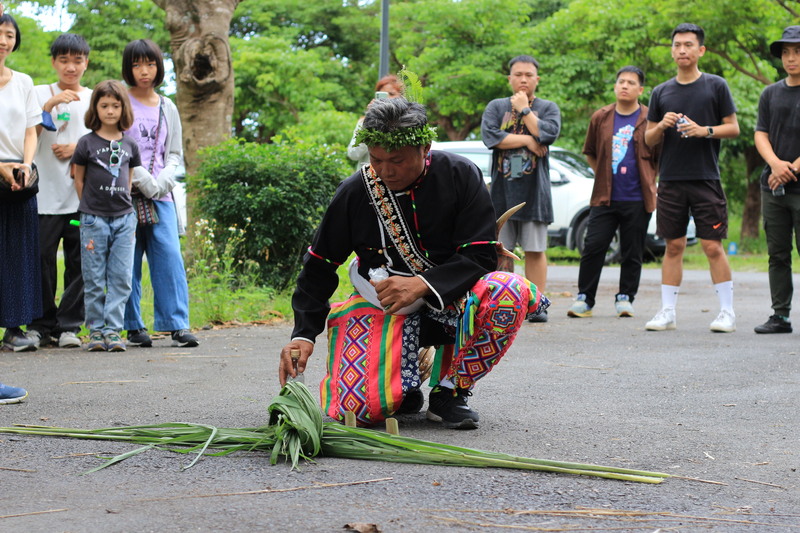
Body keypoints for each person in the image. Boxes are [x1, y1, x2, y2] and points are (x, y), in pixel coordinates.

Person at [279, 97, 548, 430]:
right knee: (356, 411)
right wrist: (303, 335)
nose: (386, 171)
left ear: (425, 147)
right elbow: (319, 266)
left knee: (509, 290)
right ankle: (400, 386)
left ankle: (451, 391)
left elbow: (479, 255)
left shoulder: (460, 175)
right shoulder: (354, 192)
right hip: (384, 308)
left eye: (397, 160)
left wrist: (422, 284)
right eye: (376, 159)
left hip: (454, 306)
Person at [644, 23, 740, 333]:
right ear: (671, 50)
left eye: (688, 44)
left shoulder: (716, 86)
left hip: (705, 178)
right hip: (670, 180)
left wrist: (704, 131)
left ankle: (727, 312)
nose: (682, 50)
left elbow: (733, 128)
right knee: (673, 246)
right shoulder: (661, 91)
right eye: (677, 45)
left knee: (712, 246)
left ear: (701, 50)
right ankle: (667, 311)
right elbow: (648, 140)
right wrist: (661, 126)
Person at [121, 39, 199, 348]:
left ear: (159, 66)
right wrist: (141, 177)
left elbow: (175, 153)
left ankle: (177, 325)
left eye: (150, 64)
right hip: (124, 195)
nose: (144, 71)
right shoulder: (121, 100)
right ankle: (132, 325)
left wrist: (162, 181)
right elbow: (115, 144)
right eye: (137, 64)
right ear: (128, 68)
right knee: (127, 262)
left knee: (169, 259)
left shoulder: (168, 106)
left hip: (162, 196)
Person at [568, 66, 659, 318]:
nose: (625, 86)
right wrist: (605, 176)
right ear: (615, 86)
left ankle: (625, 298)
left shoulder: (650, 118)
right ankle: (585, 298)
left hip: (638, 198)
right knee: (593, 246)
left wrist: (649, 178)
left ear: (640, 89)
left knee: (633, 251)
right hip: (604, 197)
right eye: (621, 81)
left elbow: (659, 157)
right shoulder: (601, 116)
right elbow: (590, 152)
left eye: (631, 82)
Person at [481, 55, 561, 323]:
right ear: (509, 78)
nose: (523, 79)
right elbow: (491, 137)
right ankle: (502, 303)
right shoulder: (496, 106)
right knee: (501, 250)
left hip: (535, 194)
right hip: (501, 194)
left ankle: (536, 304)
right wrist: (528, 139)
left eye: (529, 75)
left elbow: (548, 134)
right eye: (518, 74)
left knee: (535, 249)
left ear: (537, 78)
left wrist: (525, 111)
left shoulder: (548, 107)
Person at [25, 33, 92, 349]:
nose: (71, 67)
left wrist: (79, 148)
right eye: (64, 60)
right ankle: (40, 323)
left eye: (77, 60)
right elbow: (26, 134)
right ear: (53, 62)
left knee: (78, 263)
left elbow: (110, 138)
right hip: (43, 197)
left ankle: (69, 326)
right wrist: (49, 105)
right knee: (41, 259)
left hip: (80, 199)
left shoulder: (95, 98)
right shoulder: (38, 93)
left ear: (86, 63)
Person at [71, 80, 141, 352]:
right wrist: (90, 208)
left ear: (123, 108)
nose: (110, 111)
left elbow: (129, 180)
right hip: (93, 220)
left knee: (121, 277)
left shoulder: (130, 145)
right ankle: (96, 331)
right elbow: (79, 180)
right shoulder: (86, 143)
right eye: (104, 106)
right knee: (94, 278)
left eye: (115, 105)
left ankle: (113, 330)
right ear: (95, 109)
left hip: (125, 218)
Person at [752, 26, 800, 334]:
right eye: (786, 52)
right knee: (777, 254)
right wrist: (774, 164)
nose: (791, 58)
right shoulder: (770, 93)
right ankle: (780, 315)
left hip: (792, 181)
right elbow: (761, 133)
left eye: (797, 51)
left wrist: (792, 168)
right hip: (774, 187)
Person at [0, 12, 42, 352]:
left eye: (10, 35)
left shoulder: (24, 82)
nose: (4, 40)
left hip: (20, 175)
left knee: (18, 252)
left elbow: (32, 129)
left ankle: (14, 329)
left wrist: (25, 166)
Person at [347, 75, 404, 168]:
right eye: (382, 95)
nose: (387, 99)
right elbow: (353, 154)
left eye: (392, 94)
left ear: (402, 98)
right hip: (368, 179)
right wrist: (370, 122)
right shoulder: (364, 122)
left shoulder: (408, 121)